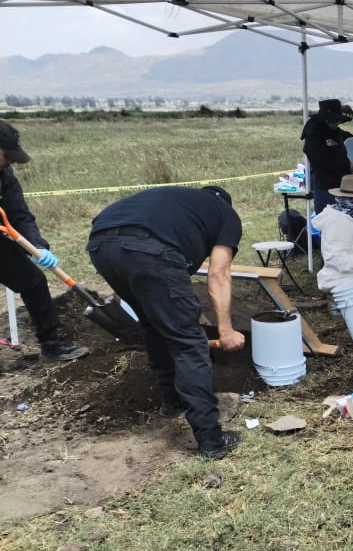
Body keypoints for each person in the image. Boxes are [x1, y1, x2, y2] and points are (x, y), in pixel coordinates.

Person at [85, 185, 245, 460]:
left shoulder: (181, 202)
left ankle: (172, 401)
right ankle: (211, 441)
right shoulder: (226, 215)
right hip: (149, 250)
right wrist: (226, 331)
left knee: (152, 323)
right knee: (189, 342)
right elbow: (219, 274)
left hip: (101, 245)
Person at [0, 120, 89, 362]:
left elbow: (20, 215)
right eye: (7, 155)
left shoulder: (4, 175)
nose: (11, 162)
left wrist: (38, 246)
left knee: (34, 281)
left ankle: (51, 346)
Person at [313, 174, 353, 292]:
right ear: (352, 200)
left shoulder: (347, 216)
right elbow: (334, 258)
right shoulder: (337, 222)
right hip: (341, 281)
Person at [301, 98, 353, 215]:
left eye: (338, 120)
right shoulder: (314, 135)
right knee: (328, 222)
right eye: (334, 120)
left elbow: (351, 140)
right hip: (325, 189)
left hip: (343, 186)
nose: (337, 123)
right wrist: (347, 164)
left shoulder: (336, 132)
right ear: (325, 120)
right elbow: (321, 162)